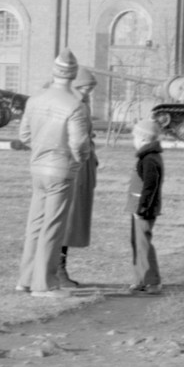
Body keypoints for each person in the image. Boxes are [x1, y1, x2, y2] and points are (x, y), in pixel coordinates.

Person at [15, 50, 92, 297]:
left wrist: (40, 148)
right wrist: (80, 161)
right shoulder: (75, 106)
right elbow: (79, 143)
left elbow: (24, 136)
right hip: (61, 169)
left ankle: (25, 280)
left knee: (35, 224)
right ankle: (45, 284)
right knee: (53, 227)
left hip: (37, 168)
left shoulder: (34, 100)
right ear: (72, 75)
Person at [59, 67, 100, 288]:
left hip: (81, 167)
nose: (87, 92)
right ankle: (57, 268)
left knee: (71, 220)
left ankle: (58, 267)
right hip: (71, 167)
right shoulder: (71, 105)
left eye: (90, 89)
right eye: (85, 88)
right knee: (64, 219)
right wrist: (83, 155)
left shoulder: (80, 104)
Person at [127, 118, 165, 293]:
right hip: (139, 208)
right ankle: (140, 279)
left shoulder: (149, 159)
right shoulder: (147, 156)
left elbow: (151, 186)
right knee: (138, 243)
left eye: (134, 137)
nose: (133, 141)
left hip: (143, 210)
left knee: (143, 244)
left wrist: (143, 208)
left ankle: (151, 281)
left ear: (143, 139)